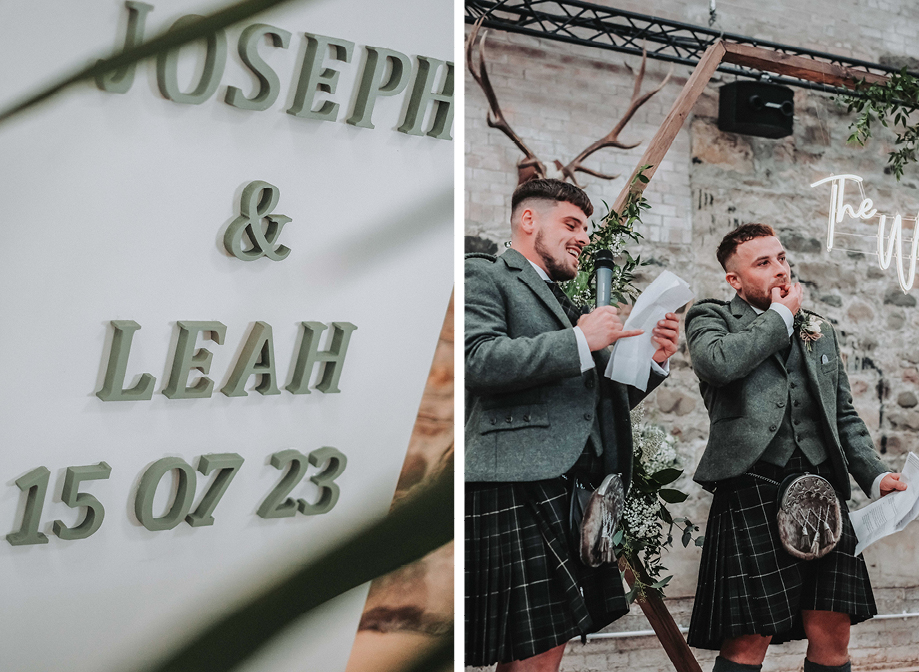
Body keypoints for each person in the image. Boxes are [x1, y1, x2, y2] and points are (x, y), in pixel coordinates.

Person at [464, 178, 681, 671]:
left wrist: (652, 360)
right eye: (571, 224)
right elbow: (476, 360)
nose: (584, 236)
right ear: (528, 220)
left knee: (542, 650)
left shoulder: (567, 306)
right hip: (513, 483)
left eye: (586, 227)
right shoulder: (486, 274)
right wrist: (580, 341)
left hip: (568, 489)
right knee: (532, 655)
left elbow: (600, 398)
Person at [685, 223, 907, 672]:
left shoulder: (819, 329)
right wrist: (781, 318)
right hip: (753, 487)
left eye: (782, 258)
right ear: (734, 280)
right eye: (763, 263)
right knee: (751, 635)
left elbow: (843, 414)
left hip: (824, 489)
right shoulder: (711, 318)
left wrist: (875, 474)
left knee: (833, 629)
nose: (780, 270)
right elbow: (718, 364)